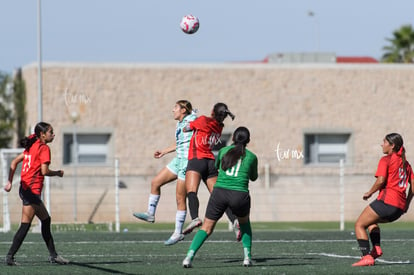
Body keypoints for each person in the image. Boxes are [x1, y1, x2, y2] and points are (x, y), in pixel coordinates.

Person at [182, 126, 258, 268]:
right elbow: (253, 177)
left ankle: (188, 257)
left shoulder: (223, 151)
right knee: (245, 224)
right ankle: (247, 257)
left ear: (233, 138)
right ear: (248, 140)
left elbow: (217, 166)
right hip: (239, 195)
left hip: (219, 194)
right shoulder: (252, 157)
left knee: (206, 228)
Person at [4, 122, 69, 266]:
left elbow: (14, 162)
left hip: (25, 189)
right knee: (25, 225)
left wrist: (9, 182)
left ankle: (54, 256)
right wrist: (58, 173)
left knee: (45, 220)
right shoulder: (44, 148)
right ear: (42, 134)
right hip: (31, 192)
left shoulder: (31, 146)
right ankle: (9, 257)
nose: (53, 134)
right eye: (51, 132)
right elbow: (44, 171)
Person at [133, 100, 197, 245]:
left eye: (175, 108)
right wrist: (164, 151)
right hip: (178, 159)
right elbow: (180, 143)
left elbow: (201, 122)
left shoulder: (192, 119)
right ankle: (150, 214)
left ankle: (177, 233)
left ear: (183, 110)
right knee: (155, 182)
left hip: (187, 162)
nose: (172, 110)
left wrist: (194, 114)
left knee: (180, 198)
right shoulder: (179, 124)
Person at [352, 133, 414, 267]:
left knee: (359, 225)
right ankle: (376, 248)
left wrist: (370, 192)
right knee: (371, 222)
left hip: (387, 203)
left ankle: (366, 256)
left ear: (392, 146)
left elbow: (381, 180)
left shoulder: (386, 159)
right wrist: (407, 205)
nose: (382, 144)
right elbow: (413, 187)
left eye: (384, 142)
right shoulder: (406, 165)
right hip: (398, 209)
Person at [182, 102, 239, 236]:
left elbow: (186, 129)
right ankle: (234, 220)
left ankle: (195, 218)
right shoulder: (219, 126)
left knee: (191, 191)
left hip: (196, 159)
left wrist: (192, 118)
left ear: (213, 111)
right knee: (218, 195)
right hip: (210, 161)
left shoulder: (202, 120)